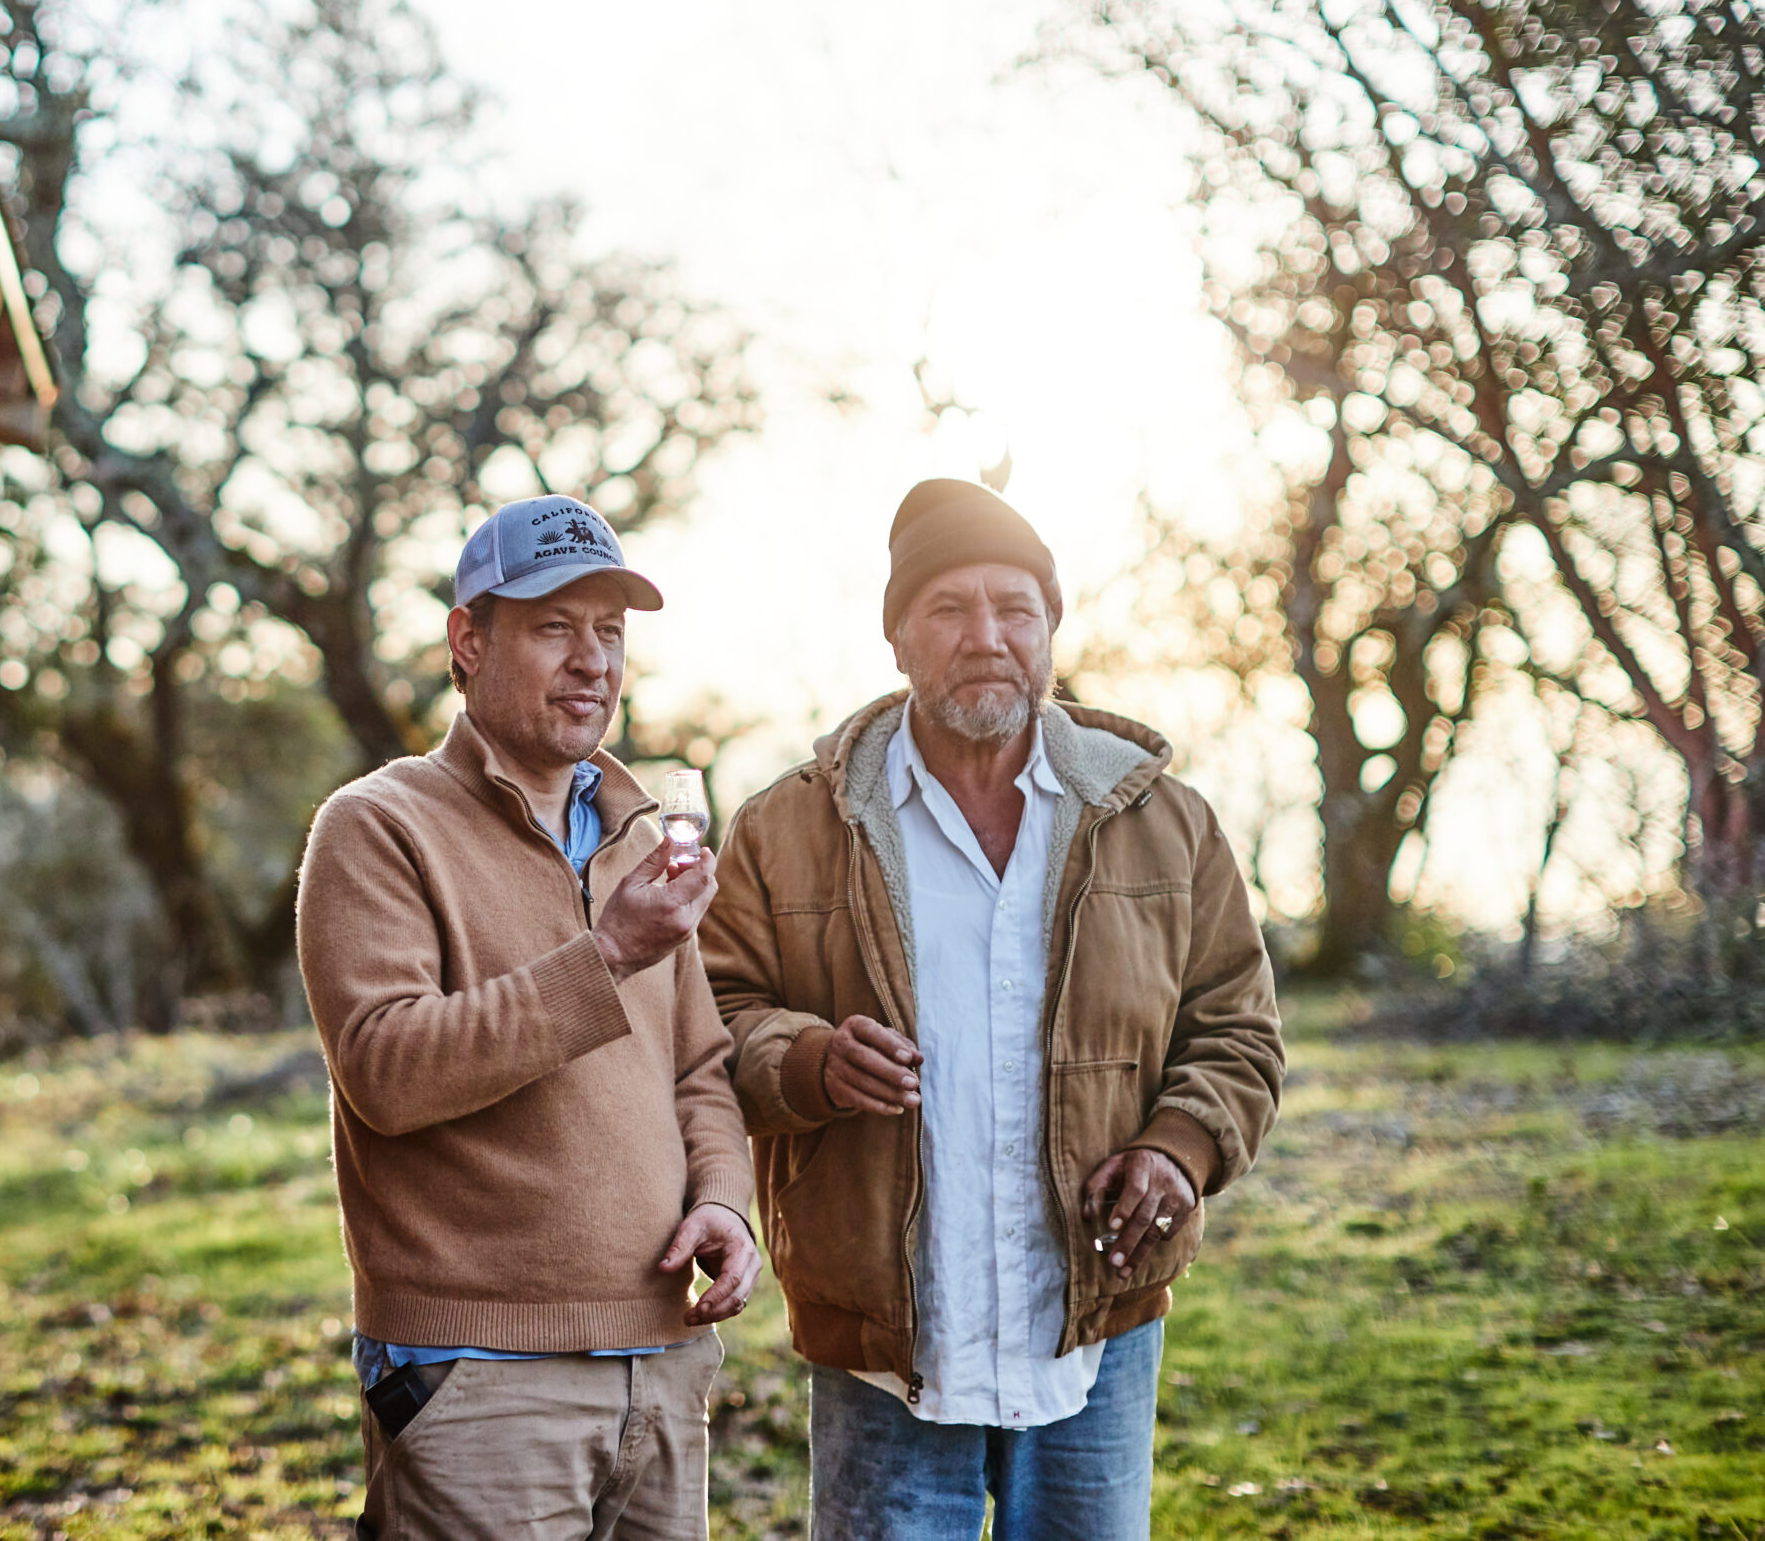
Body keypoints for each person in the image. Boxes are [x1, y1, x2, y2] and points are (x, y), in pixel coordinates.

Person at [701, 479, 1283, 1540]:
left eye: (1015, 608)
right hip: (886, 1346)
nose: (986, 637)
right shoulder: (786, 825)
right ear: (898, 640)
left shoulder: (1164, 820)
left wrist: (1178, 1148)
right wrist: (809, 1063)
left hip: (1092, 1332)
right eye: (949, 610)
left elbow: (1236, 1029)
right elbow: (711, 1015)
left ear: (1050, 628)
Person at [297, 494, 761, 1541]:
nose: (591, 661)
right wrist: (608, 956)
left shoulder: (646, 837)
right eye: (554, 627)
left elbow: (699, 1069)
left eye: (610, 632)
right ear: (469, 640)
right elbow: (386, 1068)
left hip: (665, 1360)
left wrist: (725, 1202)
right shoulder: (377, 825)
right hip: (479, 1384)